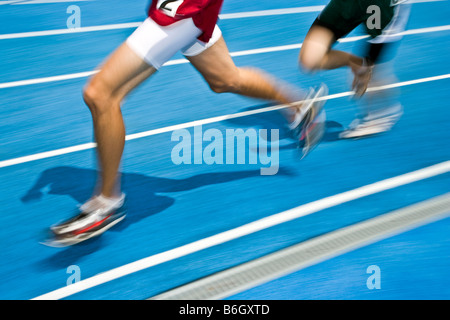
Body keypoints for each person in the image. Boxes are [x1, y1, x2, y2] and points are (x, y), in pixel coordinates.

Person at [47, 0, 327, 246]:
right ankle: (301, 106)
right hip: (190, 9)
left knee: (100, 94)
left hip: (184, 9)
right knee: (224, 80)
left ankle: (106, 203)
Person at [299, 0, 411, 138]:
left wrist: (369, 65)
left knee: (375, 70)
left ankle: (382, 114)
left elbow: (379, 44)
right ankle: (357, 63)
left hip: (382, 4)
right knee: (310, 60)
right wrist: (357, 63)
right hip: (350, 3)